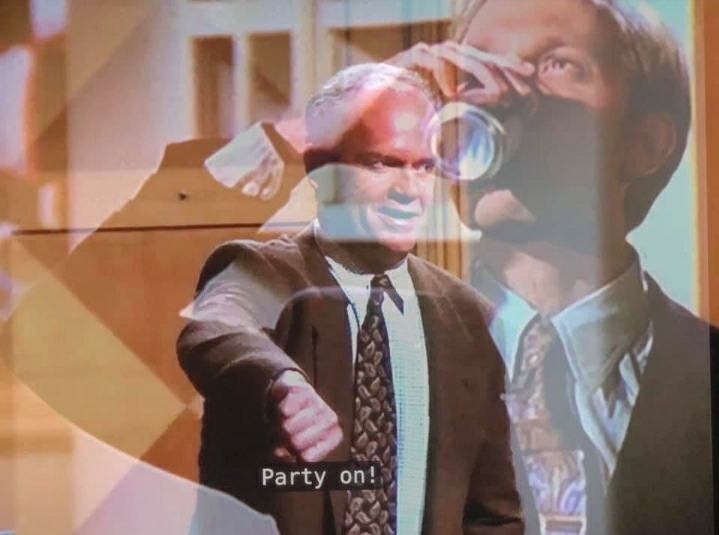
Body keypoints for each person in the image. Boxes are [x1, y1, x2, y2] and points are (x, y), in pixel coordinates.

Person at [201, 1, 716, 534]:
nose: (500, 94)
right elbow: (182, 242)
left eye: (557, 65)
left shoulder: (702, 372)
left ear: (645, 143)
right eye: (473, 71)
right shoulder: (352, 325)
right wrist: (360, 114)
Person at [176, 62, 523, 535]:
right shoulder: (264, 272)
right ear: (319, 170)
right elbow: (215, 328)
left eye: (424, 167)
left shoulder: (470, 319)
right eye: (382, 164)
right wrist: (281, 385)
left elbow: (493, 514)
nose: (410, 190)